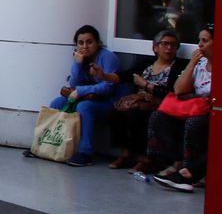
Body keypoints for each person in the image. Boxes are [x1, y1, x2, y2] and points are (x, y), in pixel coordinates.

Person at [89, 29, 184, 171]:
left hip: (161, 104)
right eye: (165, 44)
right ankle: (125, 153)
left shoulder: (178, 67)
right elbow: (125, 76)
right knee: (117, 111)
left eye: (173, 45)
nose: (169, 48)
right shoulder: (147, 63)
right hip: (140, 102)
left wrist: (146, 88)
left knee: (137, 114)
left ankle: (145, 158)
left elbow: (172, 92)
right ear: (155, 47)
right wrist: (103, 75)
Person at [29, 25, 122, 167]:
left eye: (89, 42)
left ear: (97, 43)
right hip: (87, 98)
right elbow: (74, 82)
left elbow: (108, 87)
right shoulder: (80, 58)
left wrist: (80, 91)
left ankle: (86, 153)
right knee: (58, 103)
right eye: (81, 43)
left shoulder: (108, 57)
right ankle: (45, 145)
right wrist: (78, 64)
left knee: (84, 106)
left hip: (108, 103)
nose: (85, 46)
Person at [148, 25, 214, 186]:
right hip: (194, 107)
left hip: (211, 113)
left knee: (195, 123)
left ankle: (190, 169)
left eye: (205, 41)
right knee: (159, 116)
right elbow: (179, 89)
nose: (200, 45)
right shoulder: (201, 63)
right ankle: (177, 162)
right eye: (199, 40)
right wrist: (192, 63)